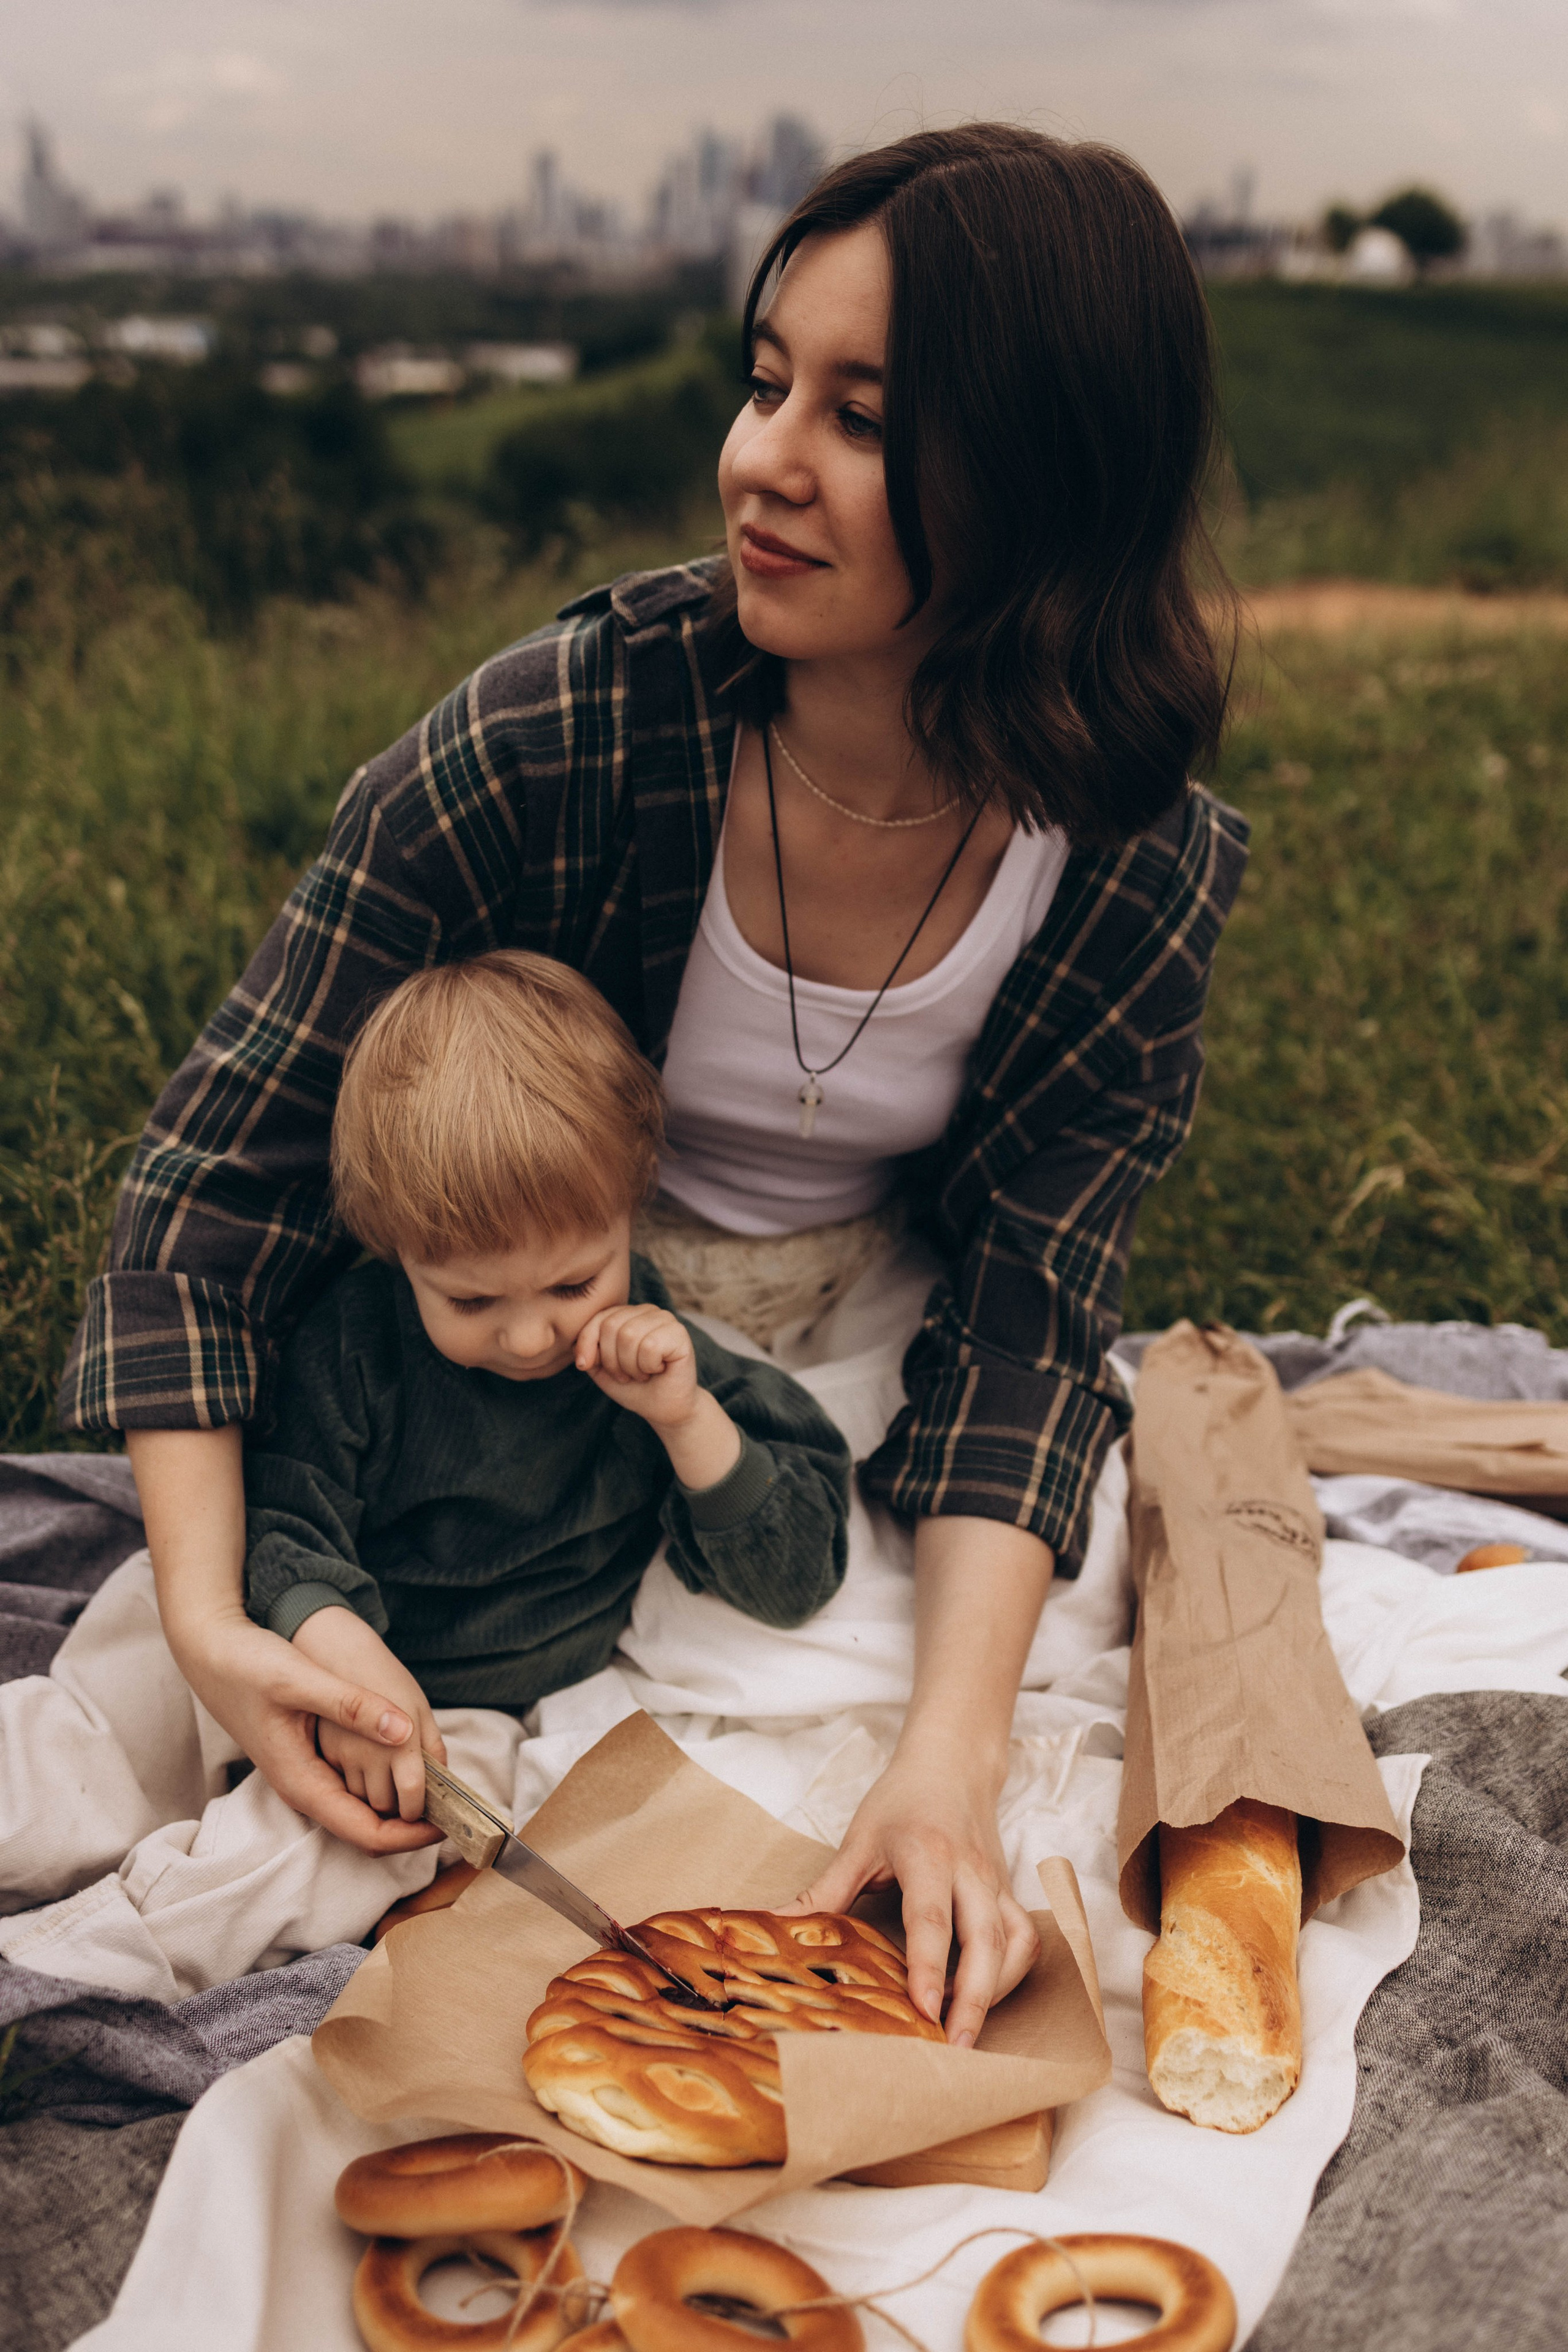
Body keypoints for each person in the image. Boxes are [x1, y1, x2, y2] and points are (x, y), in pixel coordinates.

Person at [60, 124, 1249, 2049]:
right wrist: (215, 1623)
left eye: (863, 416)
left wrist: (941, 1766)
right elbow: (216, 1191)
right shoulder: (560, 737)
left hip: (838, 1381)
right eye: (766, 378)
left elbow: (1030, 1326)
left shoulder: (1131, 863)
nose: (762, 458)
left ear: (1044, 479)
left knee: (913, 1796)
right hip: (511, 1347)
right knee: (238, 1747)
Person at [244, 950, 851, 1824]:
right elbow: (276, 1519)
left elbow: (796, 1579)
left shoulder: (643, 1351)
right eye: (471, 1299)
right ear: (394, 1249)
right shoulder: (357, 1346)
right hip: (364, 1693)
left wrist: (686, 1421)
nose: (532, 1338)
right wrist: (334, 1659)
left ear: (631, 1215)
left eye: (574, 1285)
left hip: (569, 1709)